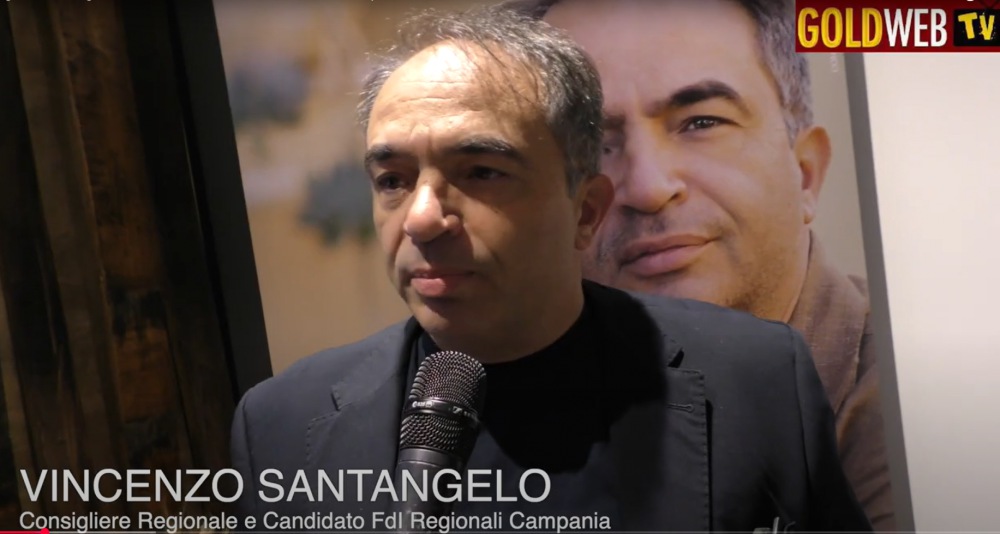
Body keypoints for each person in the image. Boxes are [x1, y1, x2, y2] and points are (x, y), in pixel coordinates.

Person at [230, 5, 873, 532]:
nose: (421, 218)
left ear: (585, 210)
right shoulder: (281, 425)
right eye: (393, 180)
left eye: (481, 172)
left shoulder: (758, 378)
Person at [511, 0, 895, 530]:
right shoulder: (491, 415)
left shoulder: (921, 409)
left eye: (701, 122)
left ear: (805, 173)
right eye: (590, 145)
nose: (648, 187)